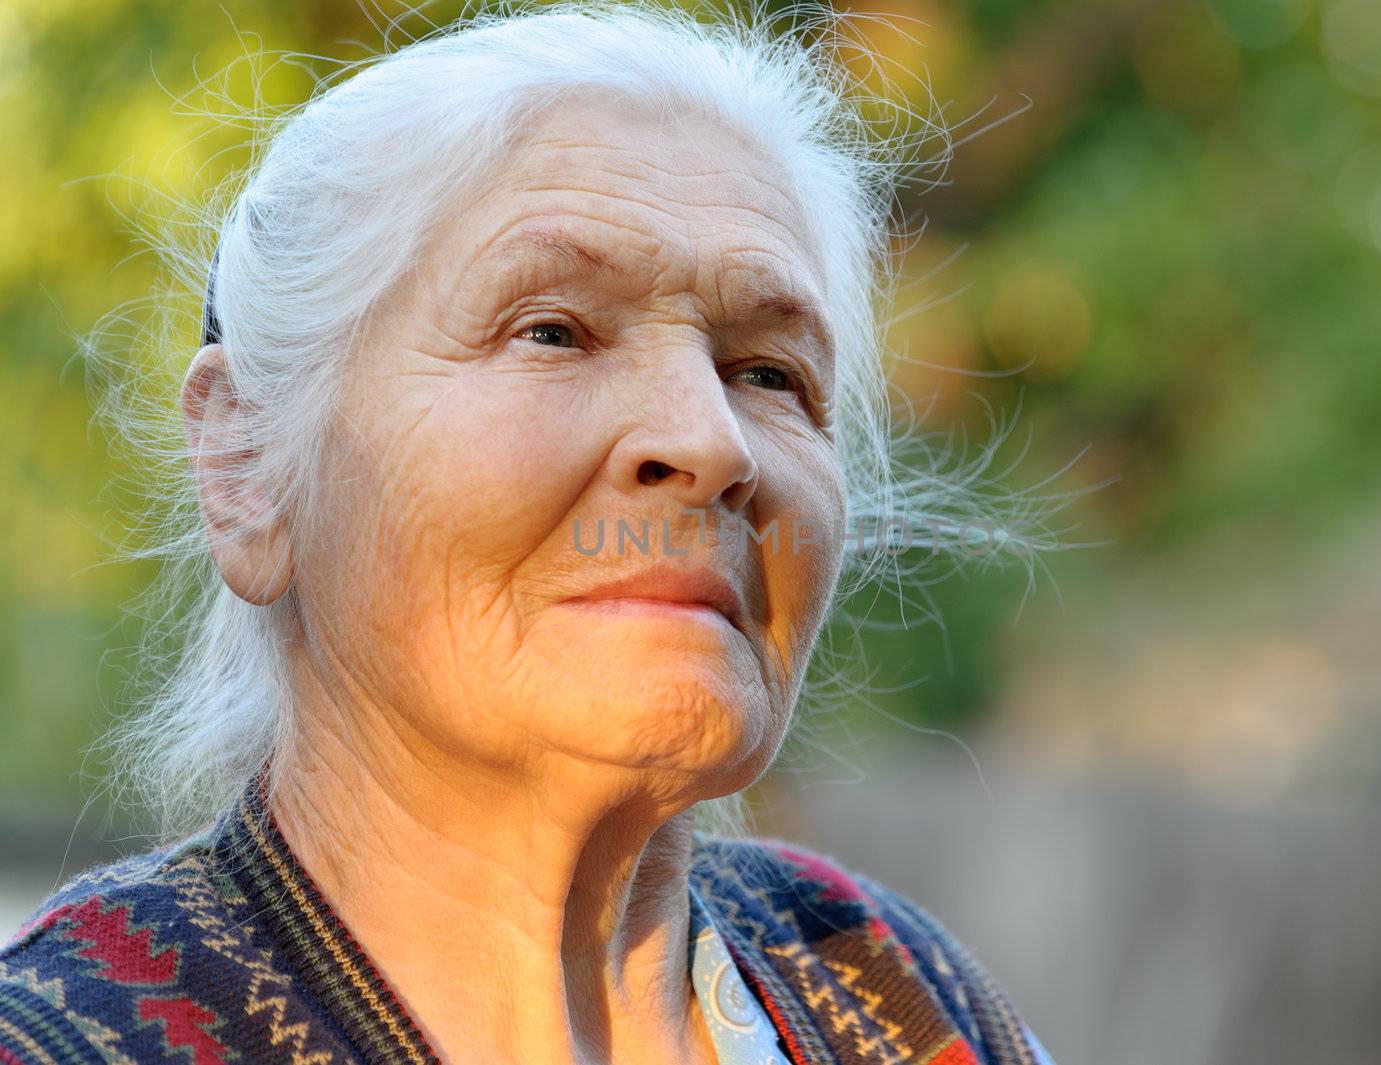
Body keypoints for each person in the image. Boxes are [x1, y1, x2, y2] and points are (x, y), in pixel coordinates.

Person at [0, 3, 1057, 1062]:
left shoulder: (884, 987)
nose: (711, 442)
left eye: (769, 374)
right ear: (247, 466)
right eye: (551, 331)